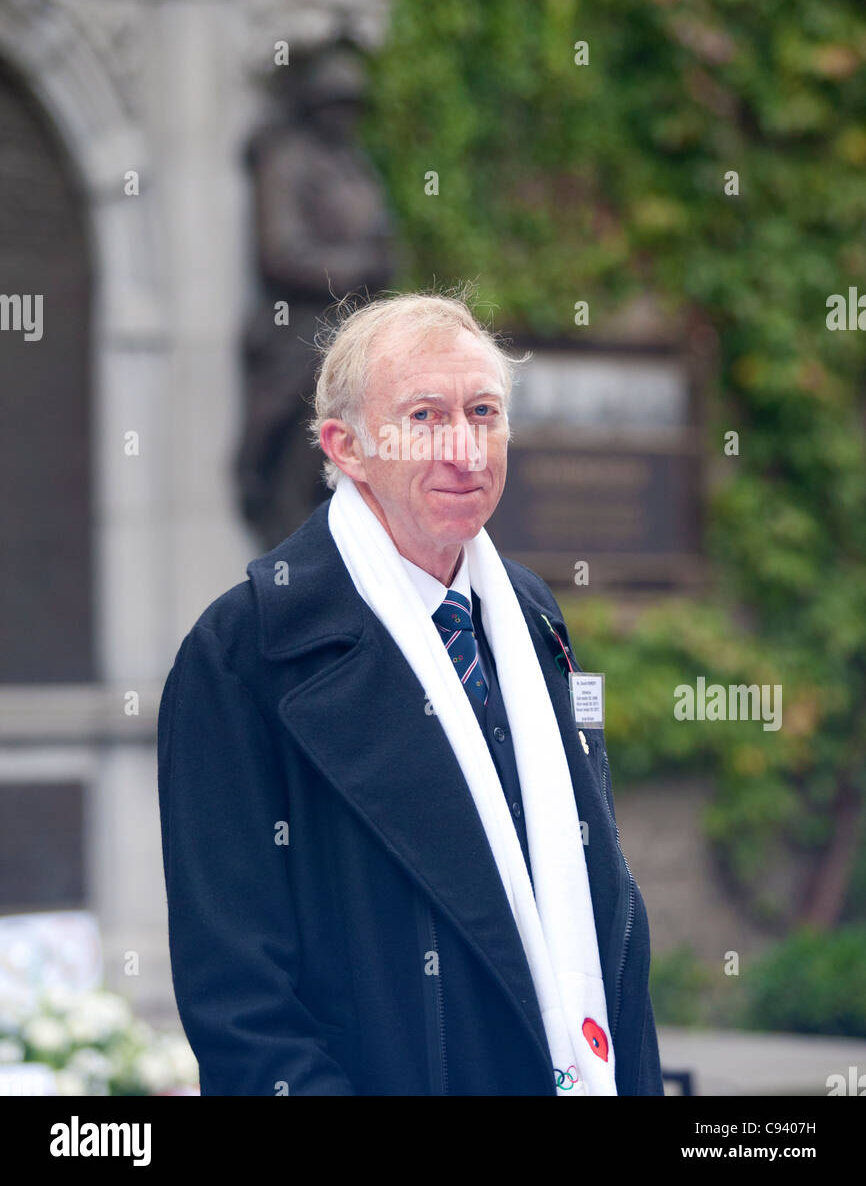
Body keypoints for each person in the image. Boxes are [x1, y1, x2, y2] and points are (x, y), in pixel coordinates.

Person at [157, 289, 664, 1096]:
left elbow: (604, 904)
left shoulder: (534, 617)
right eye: (425, 416)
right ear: (345, 447)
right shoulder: (243, 653)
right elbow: (238, 998)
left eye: (485, 412)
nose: (467, 449)